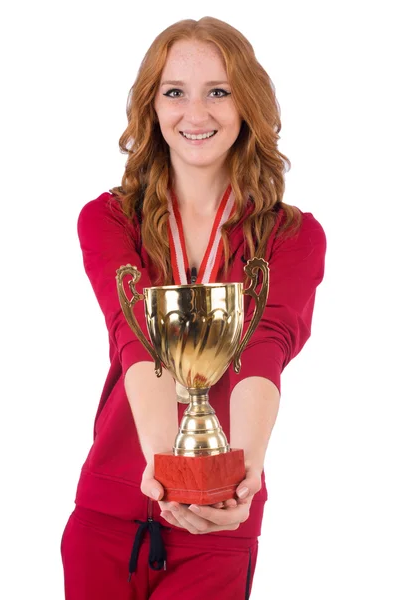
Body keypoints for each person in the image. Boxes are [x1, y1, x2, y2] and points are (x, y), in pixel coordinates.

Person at [61, 15, 326, 600]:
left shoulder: (292, 235)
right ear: (152, 107)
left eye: (219, 91)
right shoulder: (107, 220)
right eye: (175, 92)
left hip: (221, 518)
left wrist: (242, 474)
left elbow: (264, 351)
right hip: (109, 514)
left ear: (246, 103)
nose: (196, 113)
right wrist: (165, 471)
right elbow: (134, 339)